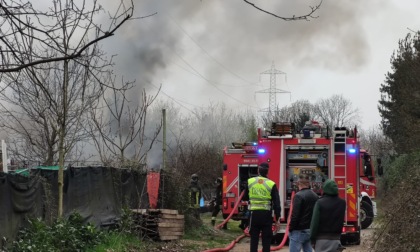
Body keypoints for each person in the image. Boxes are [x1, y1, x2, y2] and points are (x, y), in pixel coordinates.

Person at [246, 162, 281, 252]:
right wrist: (277, 218)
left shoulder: (250, 181)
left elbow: (245, 196)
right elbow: (277, 203)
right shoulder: (271, 184)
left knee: (254, 239)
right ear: (267, 171)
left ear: (258, 170)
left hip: (254, 215)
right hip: (266, 215)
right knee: (266, 239)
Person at [310, 179, 346, 252]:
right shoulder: (342, 203)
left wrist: (312, 239)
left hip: (321, 241)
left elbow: (314, 223)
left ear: (325, 189)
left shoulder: (319, 203)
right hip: (336, 240)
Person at [289, 174, 319, 252]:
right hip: (310, 229)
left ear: (299, 184)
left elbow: (295, 214)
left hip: (298, 230)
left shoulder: (298, 196)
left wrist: (291, 228)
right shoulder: (315, 196)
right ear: (308, 184)